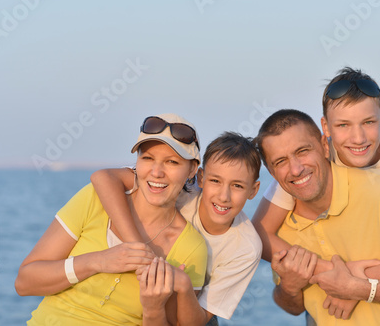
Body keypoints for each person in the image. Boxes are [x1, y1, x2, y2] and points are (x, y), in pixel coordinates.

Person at [254, 109, 380, 325]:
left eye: (303, 151)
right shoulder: (279, 232)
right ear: (270, 172)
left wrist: (360, 288)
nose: (295, 169)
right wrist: (289, 287)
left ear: (325, 146)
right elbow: (293, 307)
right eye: (280, 162)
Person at [253, 67, 380, 282]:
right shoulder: (312, 158)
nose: (357, 138)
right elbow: (259, 235)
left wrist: (355, 283)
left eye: (368, 122)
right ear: (326, 128)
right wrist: (327, 270)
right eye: (343, 125)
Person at [15, 113, 208, 325]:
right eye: (147, 158)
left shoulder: (191, 248)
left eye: (172, 162)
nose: (156, 172)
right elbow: (25, 282)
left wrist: (153, 309)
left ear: (191, 170)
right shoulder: (94, 199)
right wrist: (96, 261)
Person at [90, 131, 262, 325]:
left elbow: (197, 321)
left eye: (237, 186)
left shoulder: (246, 248)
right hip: (149, 289)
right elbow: (104, 177)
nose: (224, 196)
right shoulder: (178, 193)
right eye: (215, 181)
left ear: (253, 190)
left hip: (195, 310)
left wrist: (183, 284)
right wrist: (136, 249)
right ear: (201, 178)